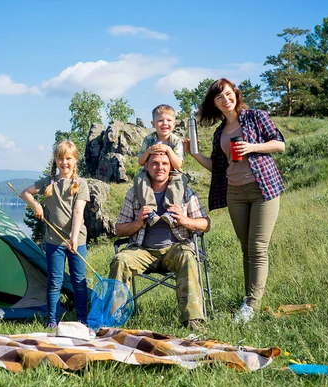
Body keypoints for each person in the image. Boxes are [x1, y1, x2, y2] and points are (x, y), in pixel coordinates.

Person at [184, 78, 285, 322]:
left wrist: (252, 147)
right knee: (245, 248)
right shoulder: (220, 132)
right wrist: (195, 154)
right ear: (215, 103)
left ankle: (251, 305)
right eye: (220, 97)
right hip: (235, 193)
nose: (226, 100)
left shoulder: (255, 117)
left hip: (263, 189)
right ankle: (248, 298)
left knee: (258, 247)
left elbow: (279, 144)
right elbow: (217, 168)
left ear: (235, 94)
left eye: (229, 94)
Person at [109, 151, 211, 331]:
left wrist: (185, 220)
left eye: (164, 163)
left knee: (187, 256)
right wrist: (137, 222)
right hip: (142, 250)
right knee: (120, 260)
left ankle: (193, 321)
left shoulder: (184, 191)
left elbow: (205, 223)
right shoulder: (135, 192)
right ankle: (114, 320)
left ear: (171, 166)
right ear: (146, 166)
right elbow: (118, 229)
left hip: (174, 248)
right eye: (155, 163)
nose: (160, 167)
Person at [21, 140, 90, 329]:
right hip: (53, 241)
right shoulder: (48, 183)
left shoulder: (81, 185)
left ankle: (82, 319)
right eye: (60, 158)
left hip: (77, 240)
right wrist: (35, 204)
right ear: (56, 160)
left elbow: (78, 212)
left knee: (78, 280)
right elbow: (25, 193)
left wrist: (74, 238)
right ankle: (52, 320)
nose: (64, 162)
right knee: (54, 281)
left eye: (68, 158)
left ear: (75, 160)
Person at [135, 104, 186, 227]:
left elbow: (178, 164)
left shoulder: (175, 141)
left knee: (179, 179)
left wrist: (168, 150)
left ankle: (170, 210)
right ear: (153, 124)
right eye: (160, 120)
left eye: (169, 120)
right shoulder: (148, 140)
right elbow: (140, 161)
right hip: (150, 171)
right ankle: (150, 211)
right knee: (140, 179)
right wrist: (149, 151)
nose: (165, 123)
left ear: (174, 124)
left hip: (172, 170)